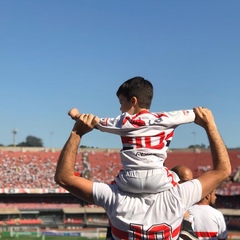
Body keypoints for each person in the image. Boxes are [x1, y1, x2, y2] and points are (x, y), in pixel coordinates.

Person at [55, 106, 231, 240]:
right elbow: (222, 170)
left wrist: (77, 133)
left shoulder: (113, 197)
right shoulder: (178, 197)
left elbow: (64, 178)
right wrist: (210, 126)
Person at [69, 76, 196, 194]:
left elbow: (93, 122)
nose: (120, 108)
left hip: (129, 179)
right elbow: (196, 114)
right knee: (179, 183)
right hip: (158, 178)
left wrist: (75, 115)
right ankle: (186, 215)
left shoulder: (124, 121)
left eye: (121, 102)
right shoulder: (167, 118)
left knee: (109, 194)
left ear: (133, 101)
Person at [172, 165, 198, 240]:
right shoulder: (168, 202)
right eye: (186, 182)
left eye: (191, 182)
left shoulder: (188, 201)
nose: (190, 186)